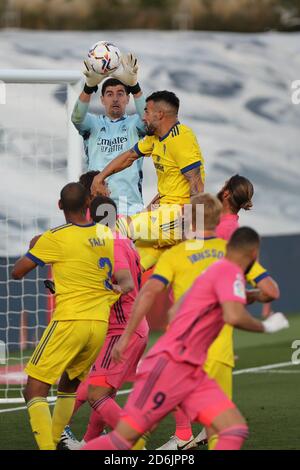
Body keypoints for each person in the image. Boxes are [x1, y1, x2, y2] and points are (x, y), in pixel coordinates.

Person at [81, 227, 289, 451]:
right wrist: (266, 326)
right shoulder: (228, 271)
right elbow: (233, 314)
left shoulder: (213, 271)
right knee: (123, 440)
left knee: (232, 428)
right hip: (170, 366)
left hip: (192, 371)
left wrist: (254, 295)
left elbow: (178, 311)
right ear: (254, 252)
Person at [11, 182, 117, 450]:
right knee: (68, 385)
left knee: (34, 388)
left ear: (60, 206)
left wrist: (35, 247)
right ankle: (57, 439)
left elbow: (18, 271)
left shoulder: (54, 237)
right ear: (87, 207)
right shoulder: (106, 234)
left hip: (70, 320)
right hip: (98, 324)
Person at [59, 196, 149, 450]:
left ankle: (133, 441)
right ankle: (88, 442)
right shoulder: (123, 242)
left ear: (90, 217)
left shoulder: (112, 245)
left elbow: (126, 284)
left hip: (122, 331)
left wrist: (99, 291)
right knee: (97, 389)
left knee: (97, 394)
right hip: (129, 327)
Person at [92, 90, 205, 269]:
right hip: (164, 218)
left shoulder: (181, 139)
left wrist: (193, 230)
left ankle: (76, 263)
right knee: (129, 267)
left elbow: (197, 185)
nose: (143, 117)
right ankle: (93, 286)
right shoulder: (154, 139)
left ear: (159, 114)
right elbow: (128, 157)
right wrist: (100, 177)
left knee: (110, 226)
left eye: (146, 111)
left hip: (178, 217)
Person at [71, 53, 146, 215]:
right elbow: (76, 118)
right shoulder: (93, 124)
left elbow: (150, 118)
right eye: (110, 94)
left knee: (125, 241)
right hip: (96, 204)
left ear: (127, 99)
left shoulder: (135, 124)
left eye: (120, 93)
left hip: (130, 206)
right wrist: (88, 88)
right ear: (103, 100)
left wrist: (135, 87)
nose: (115, 99)